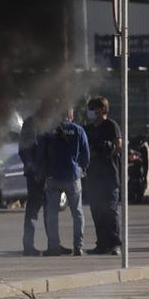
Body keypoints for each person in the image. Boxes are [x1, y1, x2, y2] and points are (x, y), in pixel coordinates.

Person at [37, 105, 90, 256]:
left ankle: (53, 247)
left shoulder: (47, 131)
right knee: (77, 213)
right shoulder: (78, 130)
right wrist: (82, 170)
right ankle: (78, 247)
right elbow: (86, 154)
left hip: (52, 177)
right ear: (70, 115)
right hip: (72, 176)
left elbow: (40, 154)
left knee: (52, 214)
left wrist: (42, 171)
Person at [83, 96, 123, 256]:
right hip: (94, 177)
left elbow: (118, 146)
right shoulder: (89, 129)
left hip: (110, 177)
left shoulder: (111, 126)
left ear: (103, 110)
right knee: (97, 212)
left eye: (93, 108)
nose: (91, 112)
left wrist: (106, 149)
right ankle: (102, 244)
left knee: (110, 212)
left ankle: (115, 244)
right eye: (90, 108)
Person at [18, 100, 50, 256]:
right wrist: (33, 168)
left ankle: (53, 245)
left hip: (48, 173)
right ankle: (28, 246)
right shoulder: (31, 123)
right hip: (36, 174)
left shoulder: (50, 122)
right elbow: (24, 149)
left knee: (50, 210)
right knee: (33, 210)